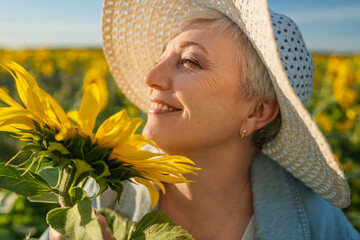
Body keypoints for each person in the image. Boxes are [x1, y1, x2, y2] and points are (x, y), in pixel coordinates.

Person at [47, 0, 359, 239]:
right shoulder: (101, 194)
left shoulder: (314, 220)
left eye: (189, 61)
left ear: (257, 112)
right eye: (160, 59)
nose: (150, 77)